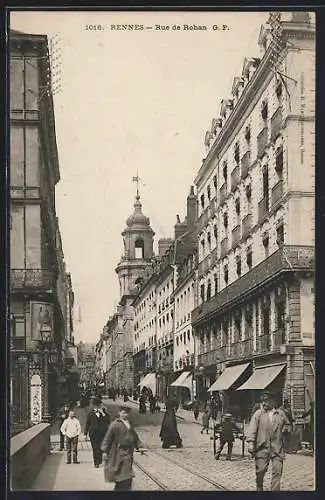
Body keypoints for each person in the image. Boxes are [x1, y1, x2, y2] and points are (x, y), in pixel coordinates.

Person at [246, 391, 290, 491]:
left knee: (277, 472)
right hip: (262, 447)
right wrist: (251, 443)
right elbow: (252, 429)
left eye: (266, 401)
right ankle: (259, 485)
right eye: (262, 401)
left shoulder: (280, 414)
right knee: (260, 471)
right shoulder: (258, 414)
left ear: (273, 401)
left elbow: (288, 424)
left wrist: (286, 429)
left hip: (277, 448)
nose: (263, 403)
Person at [101, 405, 140, 491]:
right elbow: (108, 438)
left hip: (129, 452)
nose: (124, 415)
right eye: (123, 413)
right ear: (119, 413)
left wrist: (138, 446)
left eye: (126, 413)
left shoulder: (129, 423)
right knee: (124, 475)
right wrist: (104, 451)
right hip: (119, 452)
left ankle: (123, 488)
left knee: (125, 475)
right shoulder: (115, 424)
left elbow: (134, 436)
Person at [84, 396, 111, 468]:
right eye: (96, 405)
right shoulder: (90, 414)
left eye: (99, 405)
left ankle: (100, 460)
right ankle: (96, 462)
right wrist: (85, 434)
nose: (98, 406)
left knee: (101, 448)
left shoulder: (104, 413)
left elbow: (108, 421)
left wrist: (103, 413)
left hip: (102, 433)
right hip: (93, 434)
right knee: (95, 448)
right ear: (94, 405)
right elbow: (87, 423)